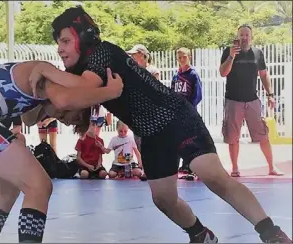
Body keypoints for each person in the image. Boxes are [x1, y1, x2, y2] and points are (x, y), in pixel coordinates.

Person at [29, 7, 291, 243]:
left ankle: (271, 233)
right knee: (163, 199)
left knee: (214, 177)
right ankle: (200, 235)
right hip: (150, 134)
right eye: (58, 43)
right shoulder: (80, 73)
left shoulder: (102, 53)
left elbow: (72, 94)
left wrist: (44, 72)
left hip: (176, 118)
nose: (60, 49)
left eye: (65, 41)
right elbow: (57, 105)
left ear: (83, 39)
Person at [0, 61, 123, 243]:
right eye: (68, 116)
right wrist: (111, 93)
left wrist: (46, 108)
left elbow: (28, 120)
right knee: (39, 187)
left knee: (7, 191)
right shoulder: (48, 75)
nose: (63, 120)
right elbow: (68, 95)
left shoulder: (38, 91)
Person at [219, 24, 283, 177]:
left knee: (263, 134)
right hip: (233, 100)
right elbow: (223, 73)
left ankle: (271, 167)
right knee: (233, 136)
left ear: (251, 37)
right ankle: (235, 168)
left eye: (247, 35)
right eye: (241, 35)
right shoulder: (229, 52)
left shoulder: (257, 53)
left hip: (252, 100)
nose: (244, 38)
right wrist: (231, 56)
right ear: (238, 36)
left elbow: (264, 75)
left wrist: (270, 95)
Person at [171, 47, 203, 180]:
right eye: (179, 57)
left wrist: (189, 108)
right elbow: (172, 93)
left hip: (189, 112)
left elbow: (197, 95)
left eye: (184, 57)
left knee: (191, 141)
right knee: (179, 140)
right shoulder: (176, 76)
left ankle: (193, 167)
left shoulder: (193, 75)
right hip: (177, 113)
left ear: (189, 57)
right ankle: (183, 165)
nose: (181, 60)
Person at [75, 115, 108, 179]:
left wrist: (99, 165)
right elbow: (78, 158)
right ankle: (89, 174)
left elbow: (100, 156)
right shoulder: (81, 140)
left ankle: (94, 174)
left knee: (103, 174)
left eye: (93, 125)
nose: (91, 127)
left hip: (96, 166)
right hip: (85, 166)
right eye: (89, 125)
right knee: (84, 174)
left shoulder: (100, 140)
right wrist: (87, 166)